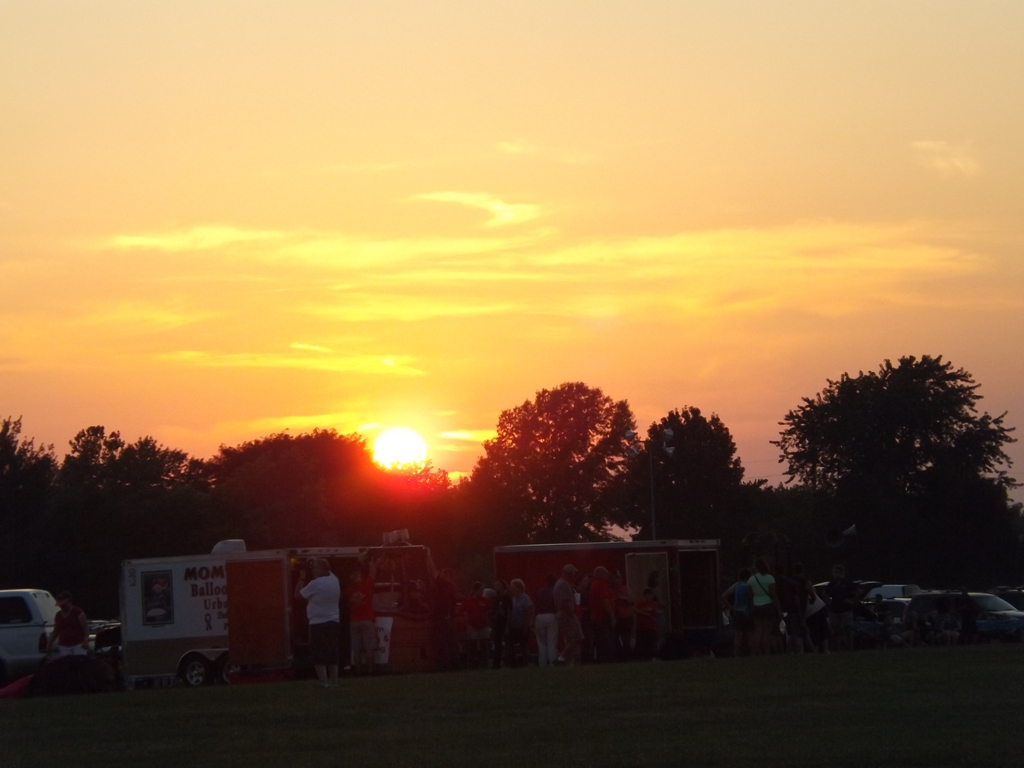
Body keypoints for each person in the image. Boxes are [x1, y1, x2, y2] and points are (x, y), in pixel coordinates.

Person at [295, 558, 341, 687]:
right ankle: (334, 682)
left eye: (314, 567)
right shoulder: (334, 579)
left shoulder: (315, 584)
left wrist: (302, 577)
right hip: (333, 621)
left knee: (319, 653)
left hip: (318, 622)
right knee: (332, 652)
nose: (312, 570)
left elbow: (297, 595)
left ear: (320, 569)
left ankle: (323, 682)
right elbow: (327, 570)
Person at [345, 555, 378, 675]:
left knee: (357, 649)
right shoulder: (366, 585)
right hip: (367, 620)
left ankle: (358, 672)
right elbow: (373, 572)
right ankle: (370, 671)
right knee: (369, 647)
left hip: (354, 622)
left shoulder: (349, 589)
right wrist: (370, 561)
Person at [428, 557, 459, 670]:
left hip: (442, 619)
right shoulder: (451, 587)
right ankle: (455, 665)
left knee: (442, 643)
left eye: (443, 573)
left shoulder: (443, 585)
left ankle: (445, 665)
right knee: (452, 643)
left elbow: (432, 571)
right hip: (449, 619)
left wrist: (428, 556)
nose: (441, 575)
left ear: (447, 575)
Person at [747, 559, 780, 656]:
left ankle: (758, 653)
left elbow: (749, 595)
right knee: (766, 632)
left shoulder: (751, 580)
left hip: (756, 606)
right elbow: (773, 594)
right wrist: (779, 609)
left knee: (758, 631)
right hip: (768, 606)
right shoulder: (770, 578)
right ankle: (767, 653)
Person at [554, 564, 582, 666]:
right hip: (566, 614)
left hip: (562, 614)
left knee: (570, 639)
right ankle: (561, 657)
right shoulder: (563, 584)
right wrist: (571, 614)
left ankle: (571, 662)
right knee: (576, 637)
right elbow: (564, 602)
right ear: (570, 573)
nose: (574, 575)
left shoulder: (560, 583)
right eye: (573, 573)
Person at [825, 565, 858, 651]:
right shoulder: (832, 584)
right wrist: (829, 601)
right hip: (834, 610)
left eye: (837, 572)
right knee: (835, 630)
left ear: (842, 573)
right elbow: (824, 593)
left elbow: (857, 592)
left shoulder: (847, 583)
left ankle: (850, 648)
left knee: (848, 629)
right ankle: (837, 649)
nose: (835, 574)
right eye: (834, 572)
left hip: (845, 609)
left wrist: (852, 602)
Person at [722, 568, 753, 657]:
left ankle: (736, 655)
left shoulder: (736, 585)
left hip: (737, 612)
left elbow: (723, 596)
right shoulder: (749, 585)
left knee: (738, 635)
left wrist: (730, 607)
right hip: (747, 611)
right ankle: (752, 654)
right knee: (750, 634)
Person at [47, 591, 90, 657]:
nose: (62, 607)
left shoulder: (78, 613)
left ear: (69, 602)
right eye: (61, 605)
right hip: (63, 645)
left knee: (79, 661)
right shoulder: (58, 615)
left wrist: (86, 640)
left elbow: (86, 628)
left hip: (78, 644)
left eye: (63, 605)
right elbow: (55, 631)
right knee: (66, 662)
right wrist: (49, 644)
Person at [460, 582, 492, 668]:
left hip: (484, 626)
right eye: (480, 590)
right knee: (472, 646)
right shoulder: (468, 601)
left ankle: (484, 664)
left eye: (482, 590)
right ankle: (472, 665)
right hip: (472, 626)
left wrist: (488, 618)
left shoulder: (485, 600)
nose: (482, 592)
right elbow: (461, 611)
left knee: (484, 645)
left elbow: (492, 610)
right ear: (475, 590)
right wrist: (466, 618)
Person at [589, 567, 616, 663]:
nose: (607, 576)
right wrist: (612, 615)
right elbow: (605, 600)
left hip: (596, 617)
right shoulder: (601, 584)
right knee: (606, 639)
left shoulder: (594, 584)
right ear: (600, 574)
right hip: (602, 616)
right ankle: (607, 660)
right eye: (606, 574)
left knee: (600, 640)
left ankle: (601, 659)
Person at [506, 579, 534, 666]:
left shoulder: (525, 598)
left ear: (518, 588)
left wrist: (526, 626)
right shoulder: (512, 599)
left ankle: (526, 662)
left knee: (523, 646)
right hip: (513, 626)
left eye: (513, 587)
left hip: (522, 626)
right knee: (510, 645)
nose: (511, 589)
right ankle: (512, 663)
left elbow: (529, 613)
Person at [533, 574, 559, 667]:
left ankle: (542, 664)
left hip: (539, 617)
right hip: (551, 615)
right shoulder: (555, 591)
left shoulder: (540, 591)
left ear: (546, 582)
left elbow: (535, 605)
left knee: (542, 644)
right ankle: (553, 663)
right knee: (552, 643)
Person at [611, 571, 635, 661]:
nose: (617, 580)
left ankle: (627, 658)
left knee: (626, 639)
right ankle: (619, 657)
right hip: (616, 618)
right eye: (615, 578)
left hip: (626, 618)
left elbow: (632, 601)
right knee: (614, 639)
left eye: (618, 578)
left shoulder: (626, 589)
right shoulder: (611, 590)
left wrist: (625, 599)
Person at [490, 580, 512, 668]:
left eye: (498, 585)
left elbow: (509, 612)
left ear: (503, 587)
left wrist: (507, 625)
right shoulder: (496, 598)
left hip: (504, 623)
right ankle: (496, 663)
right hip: (496, 624)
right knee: (497, 644)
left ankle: (509, 662)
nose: (496, 587)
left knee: (507, 644)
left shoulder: (507, 598)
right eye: (495, 585)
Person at [634, 588, 659, 660]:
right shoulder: (639, 603)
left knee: (651, 644)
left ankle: (651, 657)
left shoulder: (654, 604)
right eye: (648, 595)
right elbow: (635, 610)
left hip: (650, 628)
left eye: (651, 596)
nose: (649, 597)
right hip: (641, 628)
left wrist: (641, 611)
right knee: (641, 645)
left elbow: (650, 610)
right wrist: (644, 612)